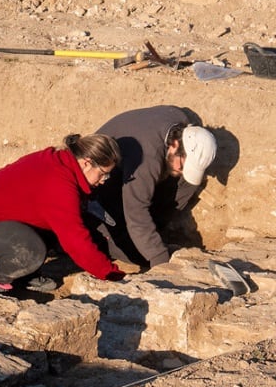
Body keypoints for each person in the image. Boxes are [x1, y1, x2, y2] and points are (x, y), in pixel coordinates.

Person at [0, 133, 126, 293]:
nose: (104, 181)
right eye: (103, 174)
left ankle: (24, 275)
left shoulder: (61, 162)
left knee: (48, 236)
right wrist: (108, 273)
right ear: (86, 162)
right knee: (32, 251)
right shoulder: (59, 182)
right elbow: (74, 238)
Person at [89, 105, 217, 270]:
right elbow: (136, 212)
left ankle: (152, 232)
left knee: (188, 182)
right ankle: (100, 236)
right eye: (183, 165)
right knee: (138, 253)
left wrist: (153, 233)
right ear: (176, 144)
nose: (183, 170)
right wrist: (160, 261)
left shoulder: (180, 123)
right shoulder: (146, 158)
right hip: (100, 187)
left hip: (128, 175)